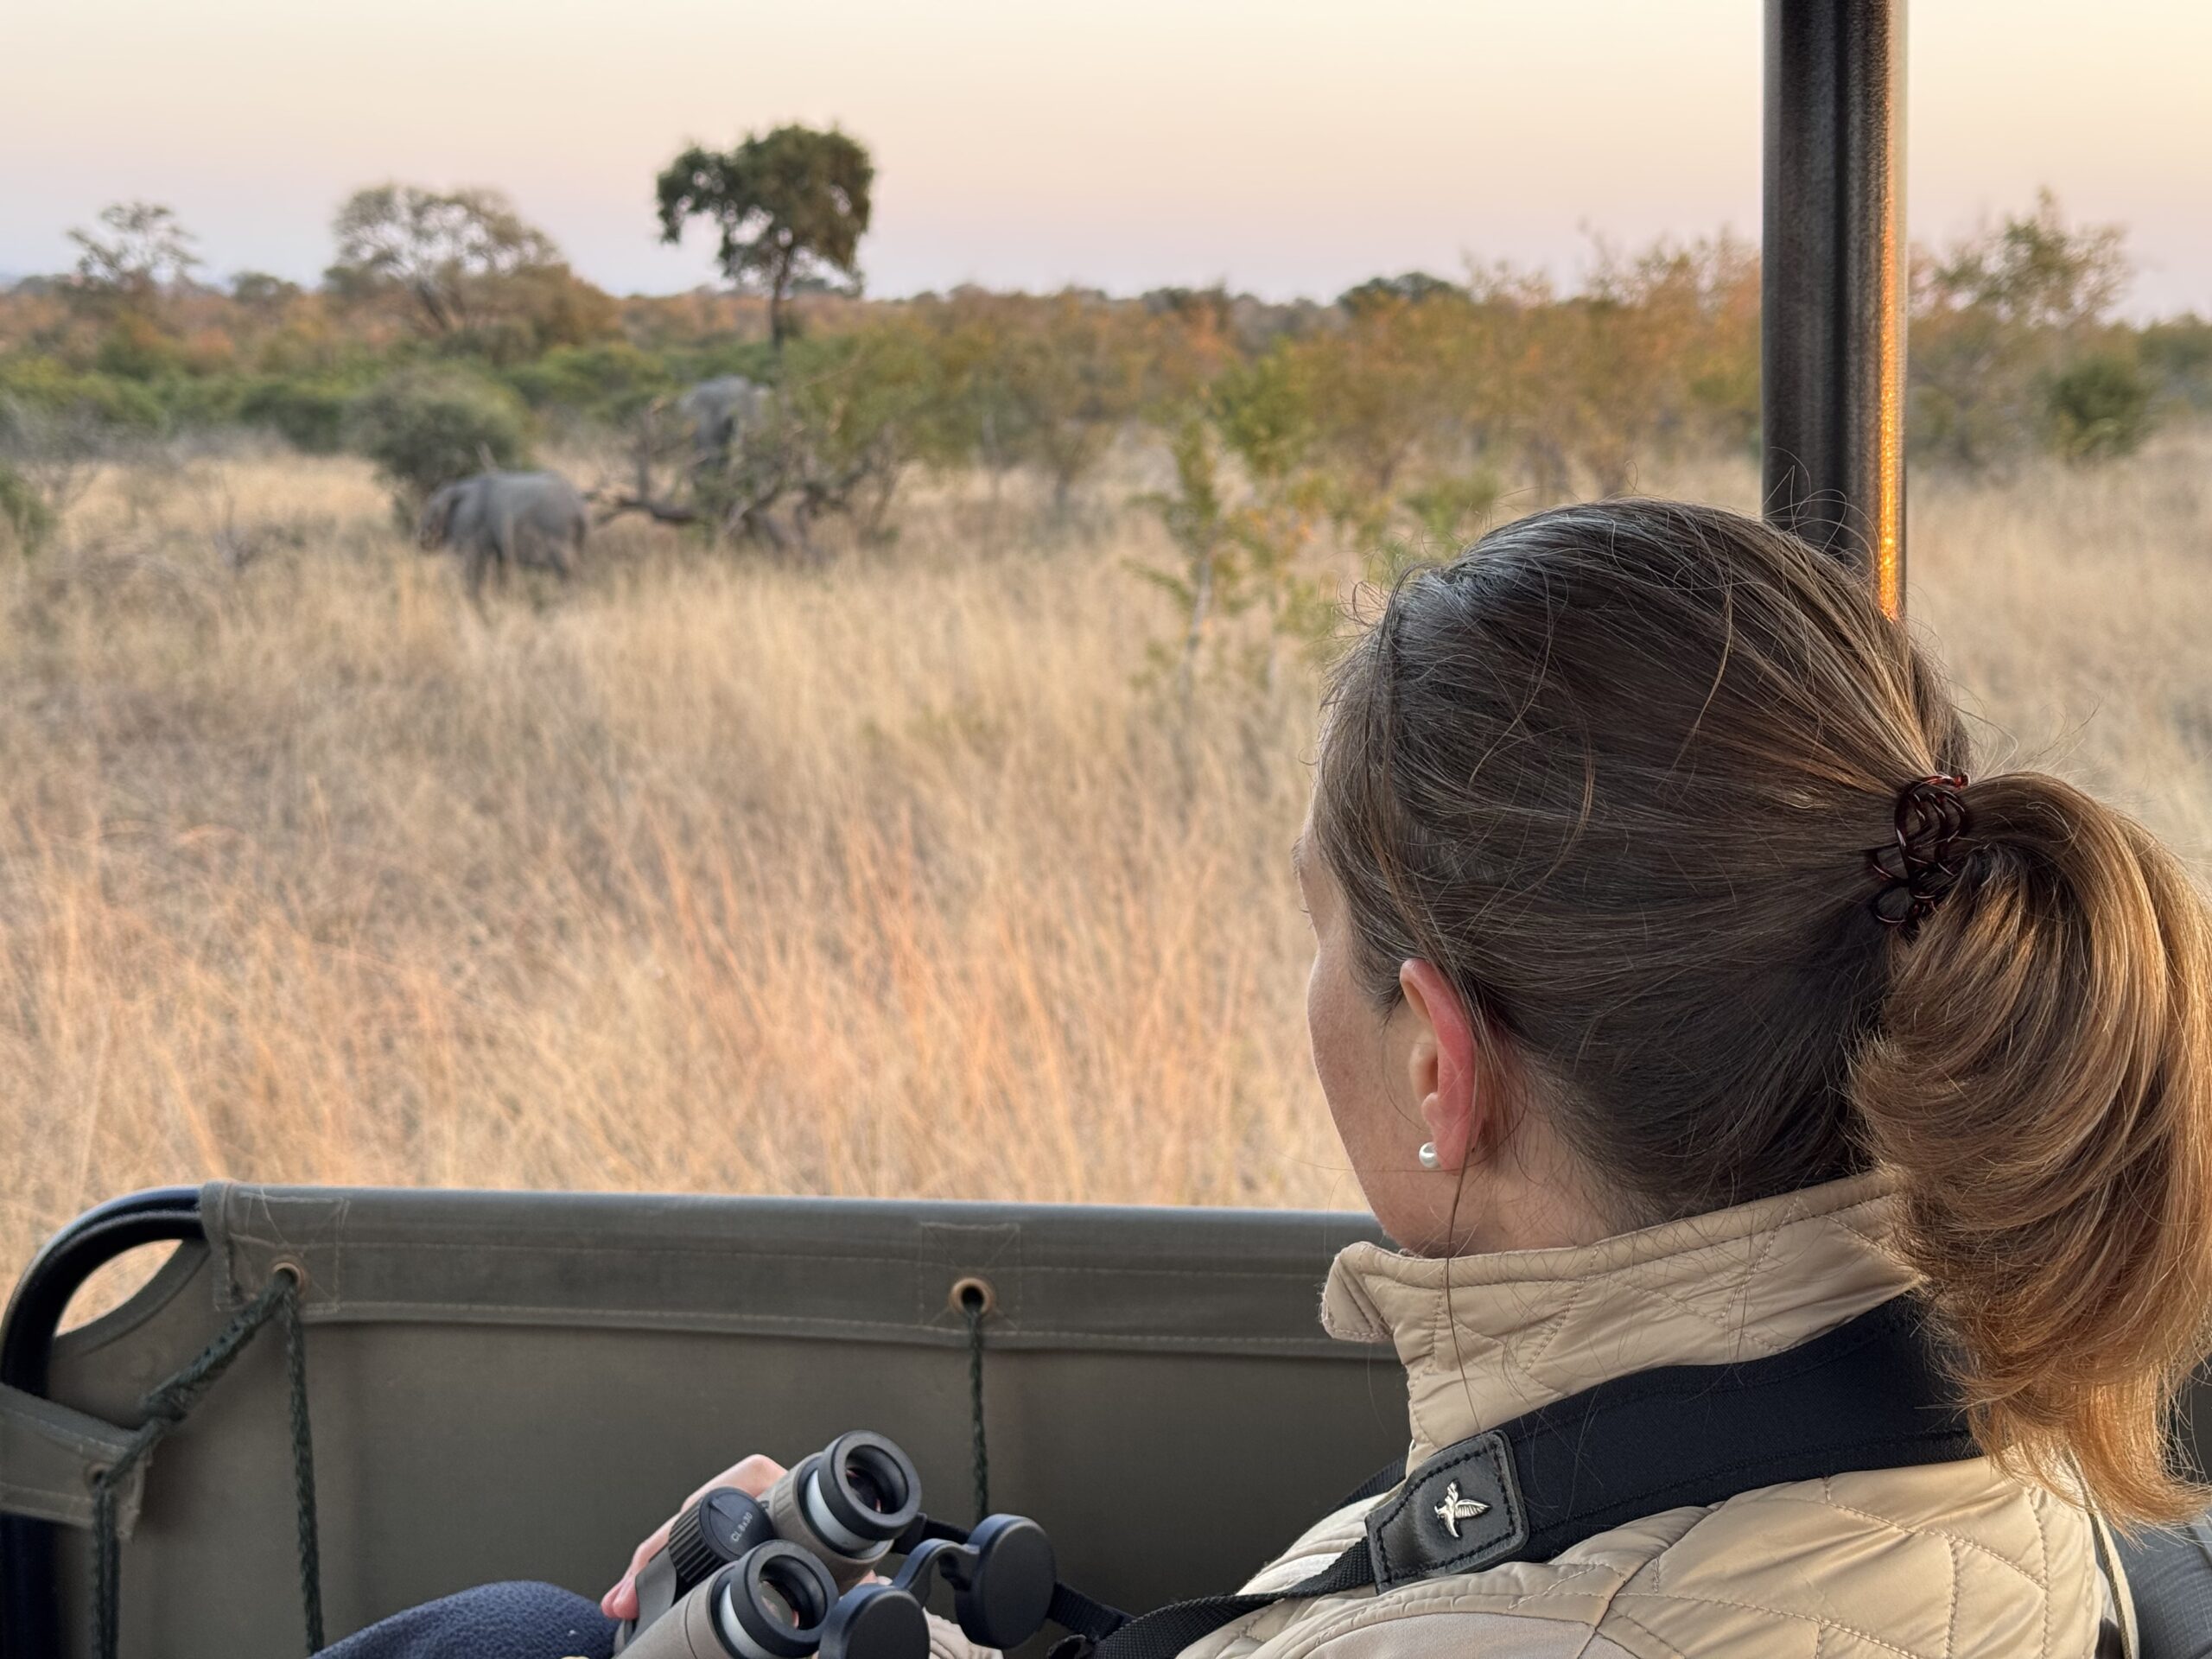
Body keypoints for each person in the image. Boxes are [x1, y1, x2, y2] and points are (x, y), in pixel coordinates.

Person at [356, 499, 2212, 1659]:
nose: (1299, 987)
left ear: (1436, 1062)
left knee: (507, 1635)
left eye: (1317, 931)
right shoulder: (1986, 1423)